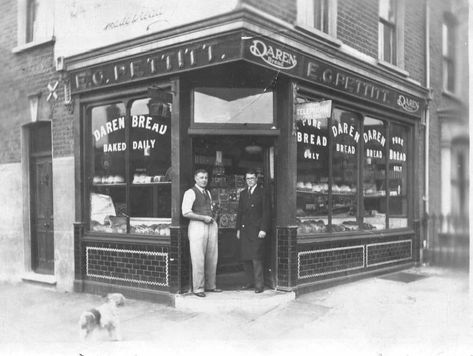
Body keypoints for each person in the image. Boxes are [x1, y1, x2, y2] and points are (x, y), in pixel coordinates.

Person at [181, 169, 222, 297]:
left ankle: (211, 285)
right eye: (201, 177)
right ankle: (198, 288)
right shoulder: (190, 192)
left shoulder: (208, 192)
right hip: (197, 226)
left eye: (206, 177)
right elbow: (186, 212)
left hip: (210, 225)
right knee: (198, 258)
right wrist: (203, 217)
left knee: (212, 257)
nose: (204, 180)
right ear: (195, 178)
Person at [236, 169, 270, 293]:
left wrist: (263, 229)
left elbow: (266, 212)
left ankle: (259, 285)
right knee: (246, 257)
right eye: (247, 179)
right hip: (245, 229)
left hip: (257, 230)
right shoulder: (243, 193)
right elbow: (240, 213)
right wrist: (238, 229)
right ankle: (250, 282)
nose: (249, 181)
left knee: (256, 257)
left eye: (251, 178)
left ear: (256, 179)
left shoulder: (262, 192)